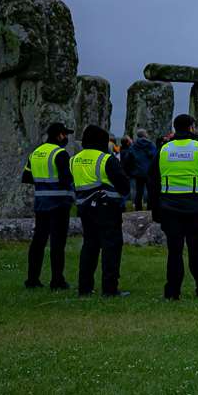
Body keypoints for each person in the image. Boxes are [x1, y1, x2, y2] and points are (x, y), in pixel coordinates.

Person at [153, 113, 198, 301]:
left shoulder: (163, 149)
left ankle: (172, 291)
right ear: (191, 127)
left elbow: (153, 181)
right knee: (196, 251)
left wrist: (155, 209)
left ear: (175, 128)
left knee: (174, 252)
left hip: (168, 207)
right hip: (195, 207)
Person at [71, 125, 130, 298]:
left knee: (89, 246)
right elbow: (123, 184)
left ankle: (85, 287)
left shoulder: (74, 159)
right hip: (107, 208)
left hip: (84, 208)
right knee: (111, 248)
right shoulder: (106, 159)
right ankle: (110, 288)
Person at [20, 121, 75, 290]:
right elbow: (67, 179)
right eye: (65, 134)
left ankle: (32, 279)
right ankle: (57, 280)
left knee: (38, 241)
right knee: (58, 243)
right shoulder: (60, 153)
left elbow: (26, 177)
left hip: (41, 202)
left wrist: (42, 181)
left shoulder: (36, 153)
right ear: (59, 135)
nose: (66, 137)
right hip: (59, 203)